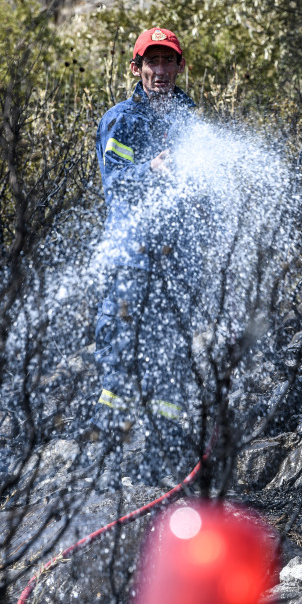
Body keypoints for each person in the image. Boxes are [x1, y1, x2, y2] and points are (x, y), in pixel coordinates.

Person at [92, 27, 201, 474]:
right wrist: (150, 170)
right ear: (136, 68)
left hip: (176, 260)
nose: (160, 70)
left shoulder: (189, 118)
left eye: (167, 61)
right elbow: (114, 184)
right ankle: (106, 465)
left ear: (179, 66)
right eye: (151, 61)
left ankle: (164, 461)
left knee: (170, 355)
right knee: (119, 355)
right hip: (132, 260)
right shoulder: (122, 119)